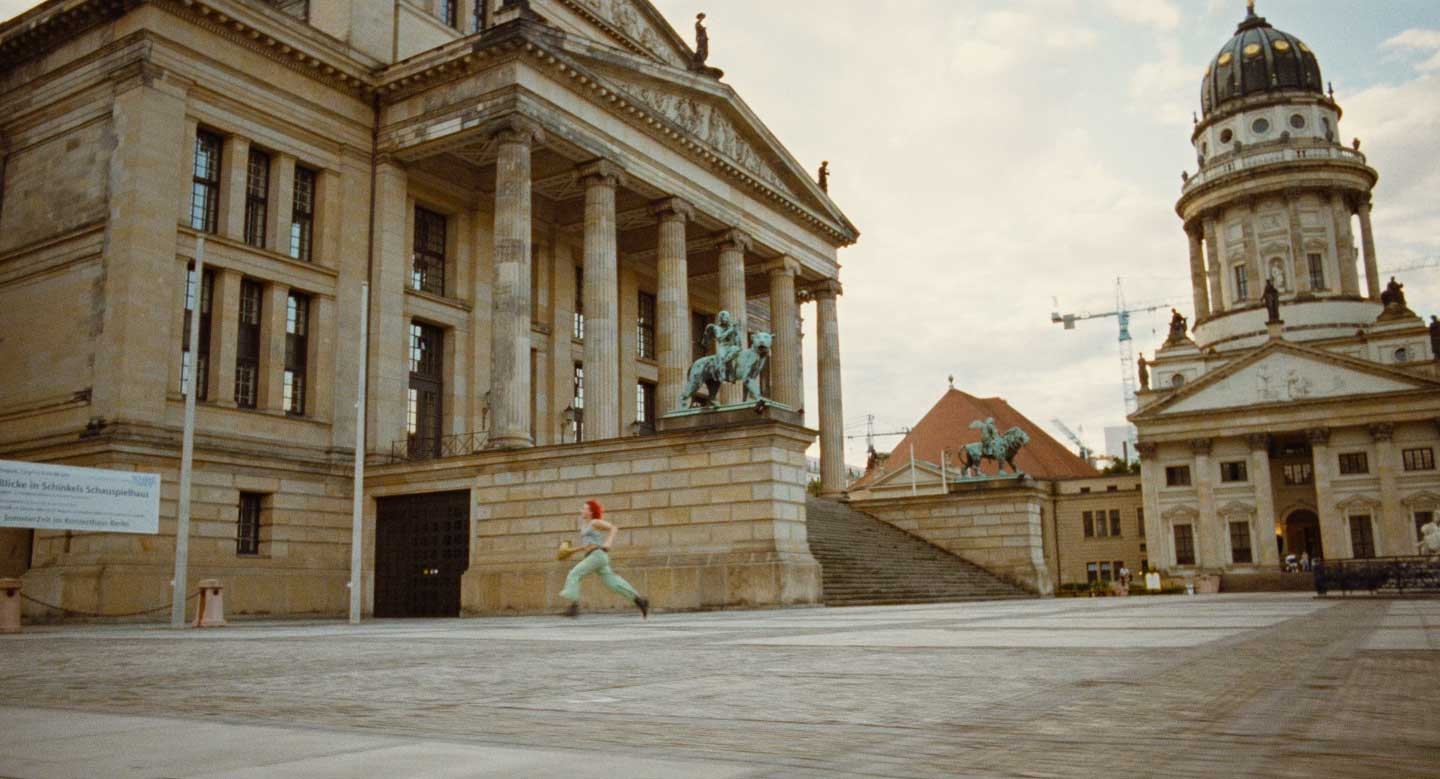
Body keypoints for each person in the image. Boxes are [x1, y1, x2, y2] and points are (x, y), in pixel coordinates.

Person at [559, 499, 649, 619]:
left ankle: (574, 606)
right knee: (613, 583)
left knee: (574, 573)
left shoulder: (595, 522)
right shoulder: (584, 526)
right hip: (594, 556)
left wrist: (608, 543)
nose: (581, 510)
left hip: (597, 555)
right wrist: (571, 551)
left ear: (591, 512)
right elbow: (588, 545)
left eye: (584, 508)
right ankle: (639, 600)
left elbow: (613, 528)